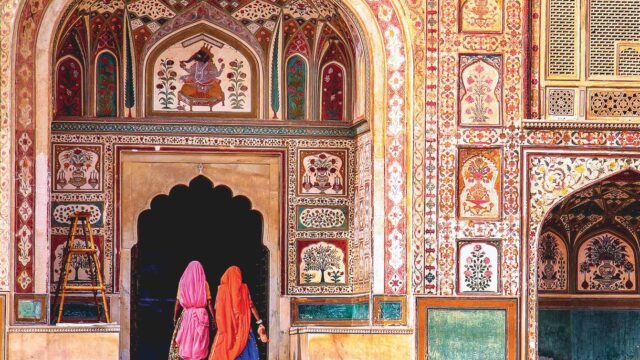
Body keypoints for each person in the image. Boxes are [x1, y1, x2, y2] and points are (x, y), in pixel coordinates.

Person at [209, 266, 268, 360]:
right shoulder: (244, 289)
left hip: (228, 327)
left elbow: (217, 308)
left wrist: (221, 324)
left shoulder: (221, 290)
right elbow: (251, 306)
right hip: (243, 327)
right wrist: (259, 321)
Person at [169, 261, 215, 360]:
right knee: (200, 343)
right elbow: (209, 302)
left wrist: (174, 317)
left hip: (187, 316)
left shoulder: (182, 283)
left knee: (187, 341)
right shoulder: (204, 283)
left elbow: (177, 303)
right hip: (201, 316)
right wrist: (213, 317)